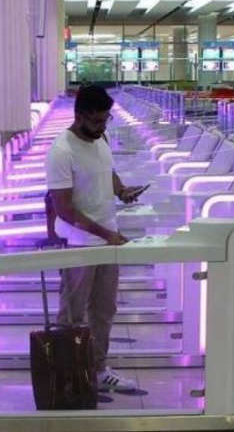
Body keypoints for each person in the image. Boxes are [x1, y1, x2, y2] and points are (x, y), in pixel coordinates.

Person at [45, 85, 145, 392]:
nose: (102, 127)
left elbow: (107, 170)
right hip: (79, 244)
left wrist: (121, 190)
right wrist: (106, 234)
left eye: (105, 121)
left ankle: (99, 369)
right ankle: (69, 376)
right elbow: (64, 209)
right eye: (97, 122)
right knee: (73, 313)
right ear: (79, 116)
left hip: (106, 240)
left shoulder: (100, 138)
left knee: (104, 309)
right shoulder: (62, 151)